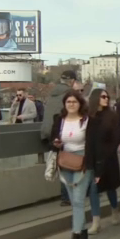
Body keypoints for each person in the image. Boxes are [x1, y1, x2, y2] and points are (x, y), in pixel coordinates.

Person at [51, 90, 93, 239]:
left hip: (82, 161)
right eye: (68, 102)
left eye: (74, 102)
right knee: (73, 199)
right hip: (65, 160)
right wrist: (55, 143)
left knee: (78, 200)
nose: (71, 105)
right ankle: (83, 232)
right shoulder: (60, 120)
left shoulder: (87, 121)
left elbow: (94, 143)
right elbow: (52, 139)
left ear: (80, 104)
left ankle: (75, 236)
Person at [86, 88, 120, 234]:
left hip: (108, 158)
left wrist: (105, 157)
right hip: (94, 158)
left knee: (110, 187)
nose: (106, 99)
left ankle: (115, 211)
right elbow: (88, 141)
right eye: (102, 97)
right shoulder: (89, 118)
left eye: (107, 96)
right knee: (93, 190)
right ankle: (96, 221)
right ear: (96, 99)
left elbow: (115, 138)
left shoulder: (112, 116)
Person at [43, 71, 80, 206]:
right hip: (64, 132)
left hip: (49, 133)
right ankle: (70, 196)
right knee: (71, 164)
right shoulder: (69, 95)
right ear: (72, 81)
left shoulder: (52, 94)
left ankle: (66, 197)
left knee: (63, 164)